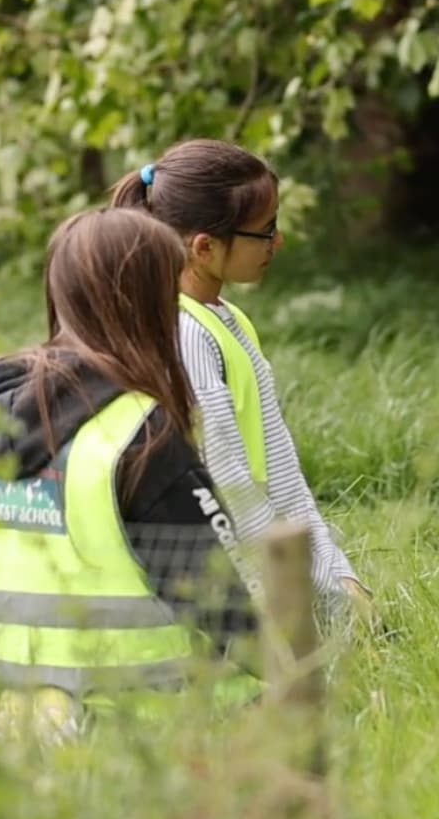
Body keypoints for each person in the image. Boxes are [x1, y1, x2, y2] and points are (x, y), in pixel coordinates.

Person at [0, 208, 261, 734]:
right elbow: (231, 618)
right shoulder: (143, 435)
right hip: (155, 736)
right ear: (147, 304)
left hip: (26, 727)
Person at [110, 139, 366, 621]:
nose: (278, 241)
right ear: (205, 247)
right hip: (225, 604)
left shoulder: (226, 320)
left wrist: (340, 579)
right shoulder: (185, 334)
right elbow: (230, 491)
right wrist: (311, 609)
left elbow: (281, 473)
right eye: (265, 231)